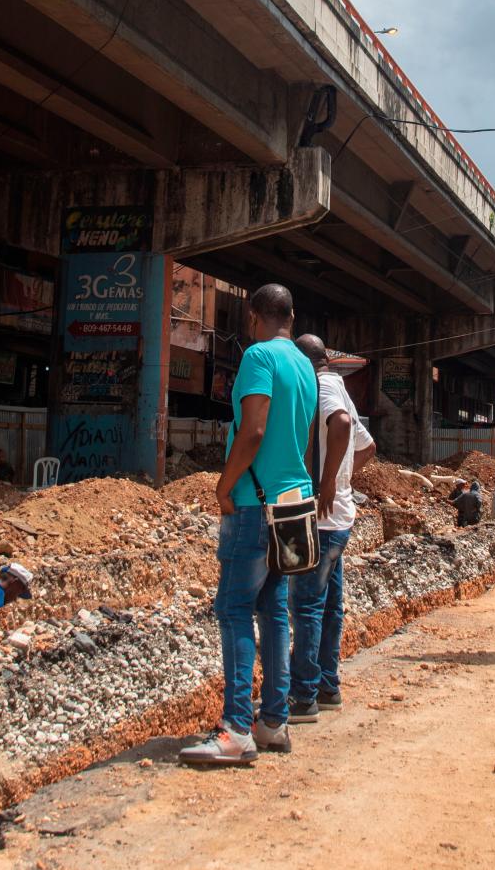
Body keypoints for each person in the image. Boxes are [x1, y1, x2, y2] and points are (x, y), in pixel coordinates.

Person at [179, 284, 316, 767]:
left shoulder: (259, 357)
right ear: (292, 316)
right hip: (293, 506)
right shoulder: (305, 365)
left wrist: (223, 485)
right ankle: (273, 722)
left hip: (254, 505)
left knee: (234, 609)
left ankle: (237, 728)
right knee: (273, 608)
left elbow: (254, 429)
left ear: (253, 316)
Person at [288, 335, 375, 722]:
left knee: (306, 606)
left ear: (307, 362)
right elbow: (367, 448)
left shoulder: (321, 387)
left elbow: (339, 424)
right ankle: (328, 687)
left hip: (319, 521)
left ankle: (303, 696)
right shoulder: (338, 386)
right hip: (339, 518)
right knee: (329, 606)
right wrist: (342, 482)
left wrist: (326, 482)